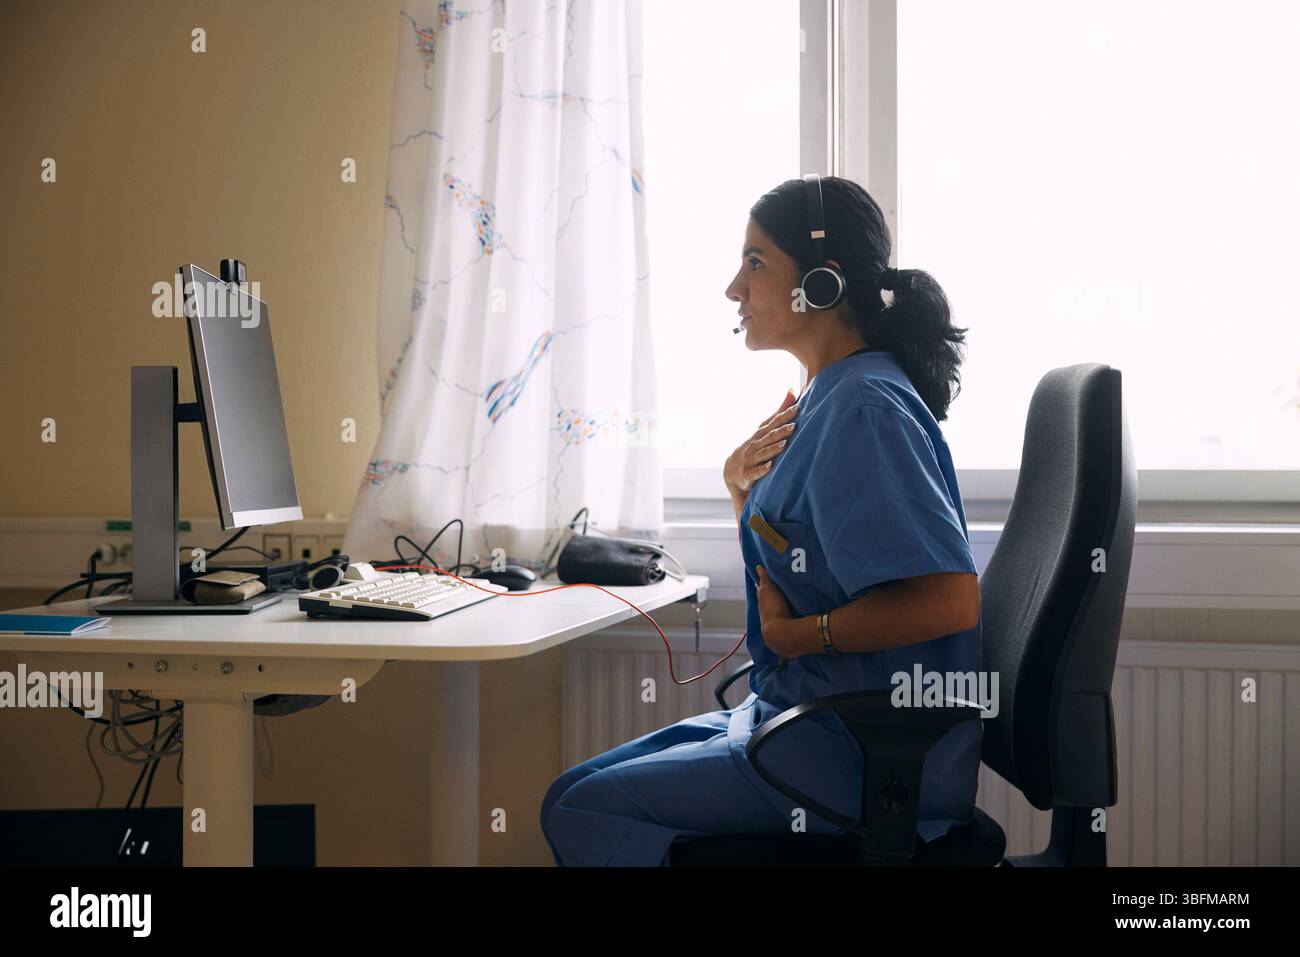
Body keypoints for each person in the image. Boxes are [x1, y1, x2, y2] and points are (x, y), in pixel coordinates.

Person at [540, 175, 982, 866]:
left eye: (755, 263)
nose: (733, 289)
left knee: (579, 809)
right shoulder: (828, 398)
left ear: (823, 285)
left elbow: (950, 599)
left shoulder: (864, 408)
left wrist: (798, 635)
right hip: (802, 721)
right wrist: (737, 486)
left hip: (849, 753)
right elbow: (804, 566)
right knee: (574, 791)